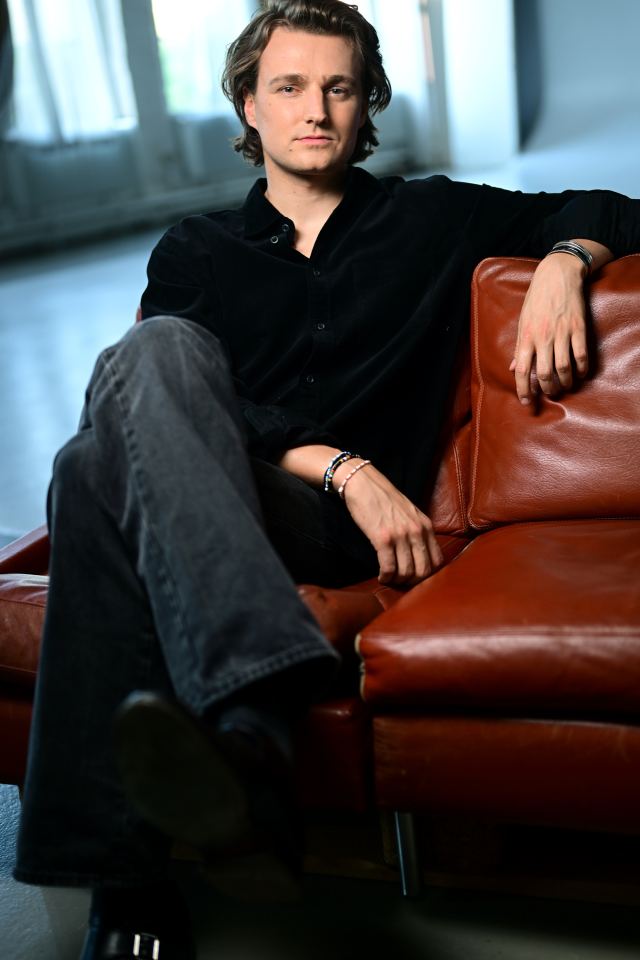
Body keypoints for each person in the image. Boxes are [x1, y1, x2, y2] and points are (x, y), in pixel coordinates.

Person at [13, 2, 640, 958]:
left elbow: (613, 208)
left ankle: (125, 889)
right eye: (290, 86)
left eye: (340, 87)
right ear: (249, 105)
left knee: (89, 463)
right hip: (238, 498)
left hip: (327, 535)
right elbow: (176, 406)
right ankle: (249, 740)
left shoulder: (431, 218)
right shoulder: (196, 249)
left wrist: (562, 261)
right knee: (130, 399)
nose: (316, 109)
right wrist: (346, 468)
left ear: (367, 103)